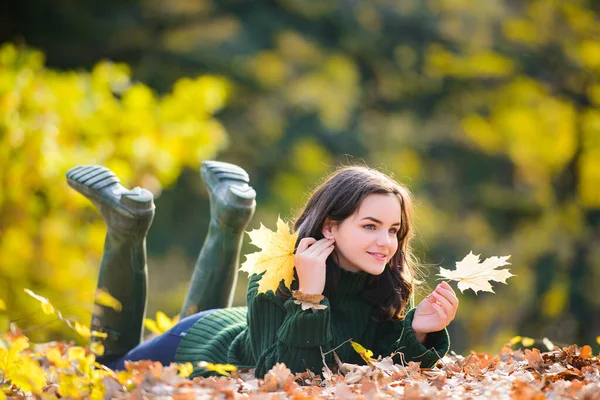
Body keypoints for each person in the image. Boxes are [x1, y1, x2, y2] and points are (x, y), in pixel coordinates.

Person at [67, 162, 458, 379]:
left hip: (244, 329)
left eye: (393, 230)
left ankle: (229, 216)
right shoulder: (279, 273)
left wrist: (418, 332)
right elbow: (281, 374)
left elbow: (374, 360)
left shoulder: (383, 282)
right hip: (200, 341)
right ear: (329, 227)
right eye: (369, 226)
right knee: (106, 370)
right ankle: (126, 226)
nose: (385, 242)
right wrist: (309, 296)